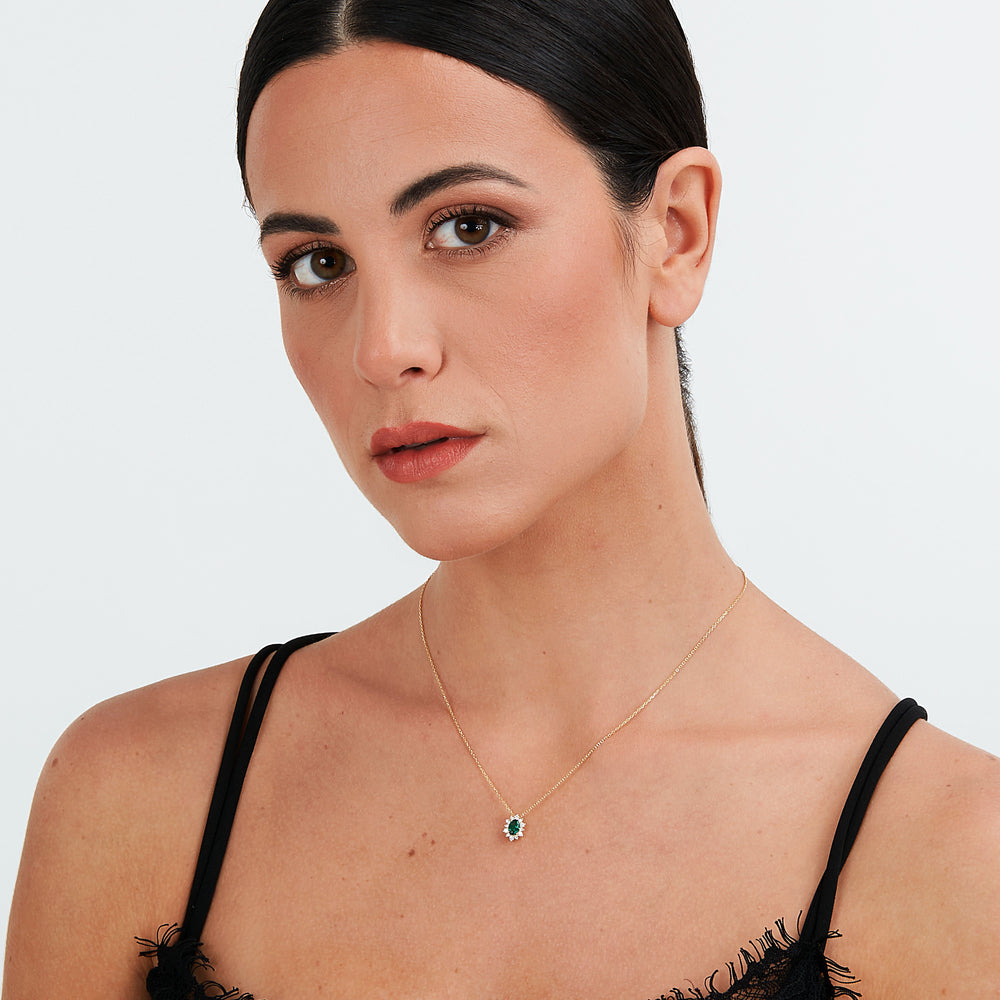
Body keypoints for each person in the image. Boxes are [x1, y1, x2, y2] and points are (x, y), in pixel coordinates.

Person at [4, 1, 999, 997]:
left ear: (677, 232)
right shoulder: (141, 798)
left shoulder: (956, 861)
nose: (383, 348)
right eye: (318, 263)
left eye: (467, 227)